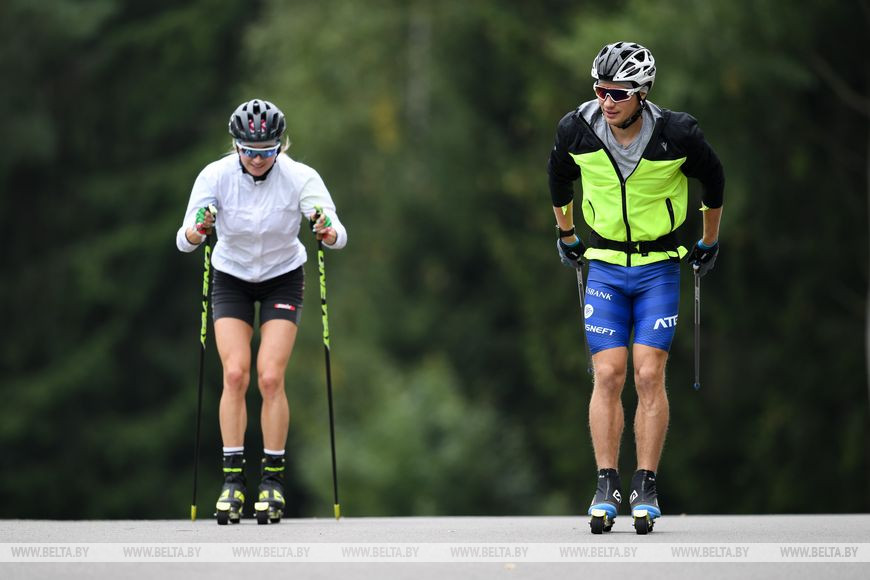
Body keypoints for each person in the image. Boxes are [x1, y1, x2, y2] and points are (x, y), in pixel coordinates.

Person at [547, 42, 724, 534]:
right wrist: (566, 234)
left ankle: (645, 484)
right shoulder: (577, 129)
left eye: (618, 93)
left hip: (658, 267)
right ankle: (606, 484)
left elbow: (714, 180)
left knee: (648, 374)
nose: (606, 101)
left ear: (642, 93)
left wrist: (709, 241)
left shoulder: (676, 133)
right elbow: (558, 178)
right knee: (608, 374)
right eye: (600, 90)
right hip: (604, 265)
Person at [176, 98, 348, 524]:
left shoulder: (300, 177)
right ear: (235, 146)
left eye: (267, 151)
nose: (256, 159)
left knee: (270, 377)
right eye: (248, 151)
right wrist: (198, 229)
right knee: (235, 374)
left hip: (282, 277)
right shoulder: (215, 176)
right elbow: (183, 240)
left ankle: (272, 481)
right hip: (231, 276)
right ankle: (233, 482)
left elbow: (338, 233)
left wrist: (326, 229)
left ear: (280, 145)